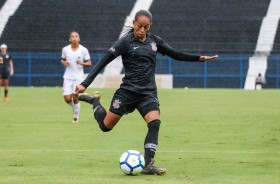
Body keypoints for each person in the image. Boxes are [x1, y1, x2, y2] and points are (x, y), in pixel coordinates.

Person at [76, 10, 218, 175]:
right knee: (106, 127)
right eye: (139, 26)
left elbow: (176, 54)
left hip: (147, 92)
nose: (142, 30)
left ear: (150, 27)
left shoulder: (154, 41)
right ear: (134, 23)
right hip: (127, 92)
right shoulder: (124, 42)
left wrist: (198, 58)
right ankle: (94, 101)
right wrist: (85, 83)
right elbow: (103, 62)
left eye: (146, 27)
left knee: (155, 123)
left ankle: (148, 164)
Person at [61, 31, 92, 123]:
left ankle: (75, 117)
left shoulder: (83, 50)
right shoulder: (65, 49)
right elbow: (62, 60)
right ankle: (76, 107)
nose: (74, 38)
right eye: (72, 37)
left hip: (78, 77)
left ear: (79, 39)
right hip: (67, 77)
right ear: (69, 39)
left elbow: (89, 63)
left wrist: (81, 63)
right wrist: (64, 63)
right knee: (67, 99)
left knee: (75, 97)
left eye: (76, 36)